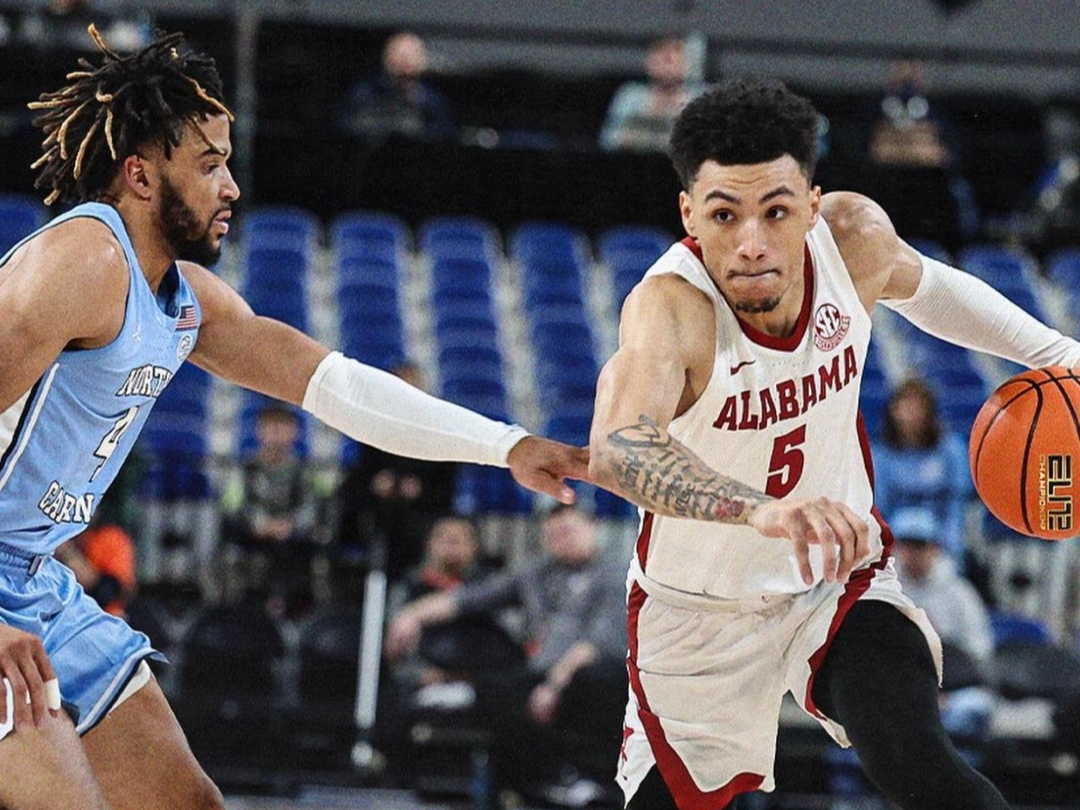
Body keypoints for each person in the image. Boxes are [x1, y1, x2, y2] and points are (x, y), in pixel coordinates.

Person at [0, 26, 587, 810]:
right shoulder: (83, 262)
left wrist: (505, 445)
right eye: (209, 164)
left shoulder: (186, 302)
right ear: (140, 175)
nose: (232, 185)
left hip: (35, 582)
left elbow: (340, 388)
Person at [587, 76, 1080, 810]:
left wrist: (1058, 353)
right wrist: (760, 510)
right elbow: (619, 451)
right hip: (698, 612)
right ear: (690, 211)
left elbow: (931, 288)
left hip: (835, 579)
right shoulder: (671, 310)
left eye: (776, 212)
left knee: (921, 764)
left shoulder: (850, 238)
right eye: (724, 215)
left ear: (812, 205)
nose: (751, 244)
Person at [385, 504, 628, 803]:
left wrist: (553, 685)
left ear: (592, 527)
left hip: (590, 669)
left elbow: (598, 643)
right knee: (494, 688)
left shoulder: (616, 574)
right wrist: (411, 615)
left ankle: (594, 780)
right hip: (540, 670)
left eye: (568, 531)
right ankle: (528, 785)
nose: (562, 540)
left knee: (598, 679)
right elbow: (471, 598)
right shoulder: (537, 571)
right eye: (552, 535)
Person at [335, 360, 457, 576]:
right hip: (378, 516)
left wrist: (420, 490)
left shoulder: (441, 432)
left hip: (422, 516)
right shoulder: (372, 430)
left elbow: (447, 489)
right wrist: (376, 485)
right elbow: (354, 482)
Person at [219, 403, 324, 617]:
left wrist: (290, 525)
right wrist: (260, 523)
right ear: (259, 430)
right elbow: (231, 506)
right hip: (251, 540)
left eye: (282, 426)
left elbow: (312, 508)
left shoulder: (305, 470)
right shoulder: (244, 468)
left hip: (293, 544)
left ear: (294, 432)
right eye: (270, 426)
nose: (276, 433)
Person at [874, 377, 973, 569]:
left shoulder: (951, 450)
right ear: (893, 410)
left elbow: (956, 505)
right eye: (905, 405)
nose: (911, 413)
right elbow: (879, 510)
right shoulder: (880, 456)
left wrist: (948, 549)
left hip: (940, 549)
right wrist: (891, 550)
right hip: (896, 550)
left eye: (917, 405)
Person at [336, 30, 456, 144]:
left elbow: (444, 132)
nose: (405, 62)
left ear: (422, 61)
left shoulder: (432, 101)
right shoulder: (365, 92)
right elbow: (343, 125)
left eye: (411, 55)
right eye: (399, 55)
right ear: (386, 59)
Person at [598, 36, 706, 153]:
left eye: (671, 61)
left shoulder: (699, 98)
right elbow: (608, 140)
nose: (667, 67)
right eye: (662, 59)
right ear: (649, 63)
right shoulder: (630, 95)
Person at [54, 514, 137, 619]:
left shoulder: (111, 537)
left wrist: (68, 553)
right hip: (62, 619)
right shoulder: (51, 538)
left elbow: (107, 593)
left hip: (105, 621)